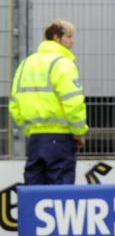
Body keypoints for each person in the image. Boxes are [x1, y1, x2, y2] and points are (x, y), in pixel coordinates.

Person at [9, 19, 88, 184]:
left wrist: (29, 129)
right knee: (60, 196)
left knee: (35, 193)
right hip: (60, 139)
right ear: (57, 38)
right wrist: (79, 132)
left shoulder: (26, 64)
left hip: (35, 139)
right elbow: (73, 102)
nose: (72, 41)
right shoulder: (63, 64)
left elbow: (14, 104)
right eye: (69, 36)